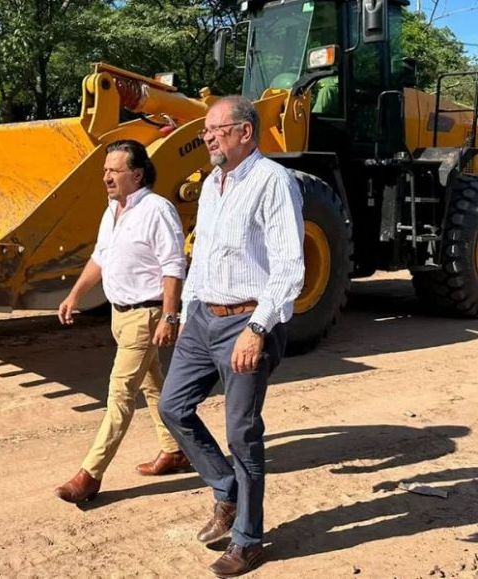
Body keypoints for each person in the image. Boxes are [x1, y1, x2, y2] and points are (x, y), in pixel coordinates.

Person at [158, 96, 305, 577]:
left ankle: (249, 538)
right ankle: (226, 489)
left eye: (217, 129)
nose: (208, 137)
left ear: (245, 132)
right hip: (203, 316)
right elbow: (201, 254)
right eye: (206, 130)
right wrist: (185, 312)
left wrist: (257, 328)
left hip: (246, 320)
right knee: (172, 406)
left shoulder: (273, 181)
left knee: (242, 433)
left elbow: (289, 266)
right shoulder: (212, 184)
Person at [54, 139, 191, 504]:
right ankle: (174, 450)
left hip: (146, 316)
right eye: (105, 171)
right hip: (120, 314)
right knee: (152, 383)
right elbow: (100, 257)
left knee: (120, 395)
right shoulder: (112, 210)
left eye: (114, 171)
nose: (107, 178)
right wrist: (75, 295)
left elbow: (173, 266)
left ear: (137, 174)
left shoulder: (157, 210)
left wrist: (169, 315)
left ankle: (90, 474)